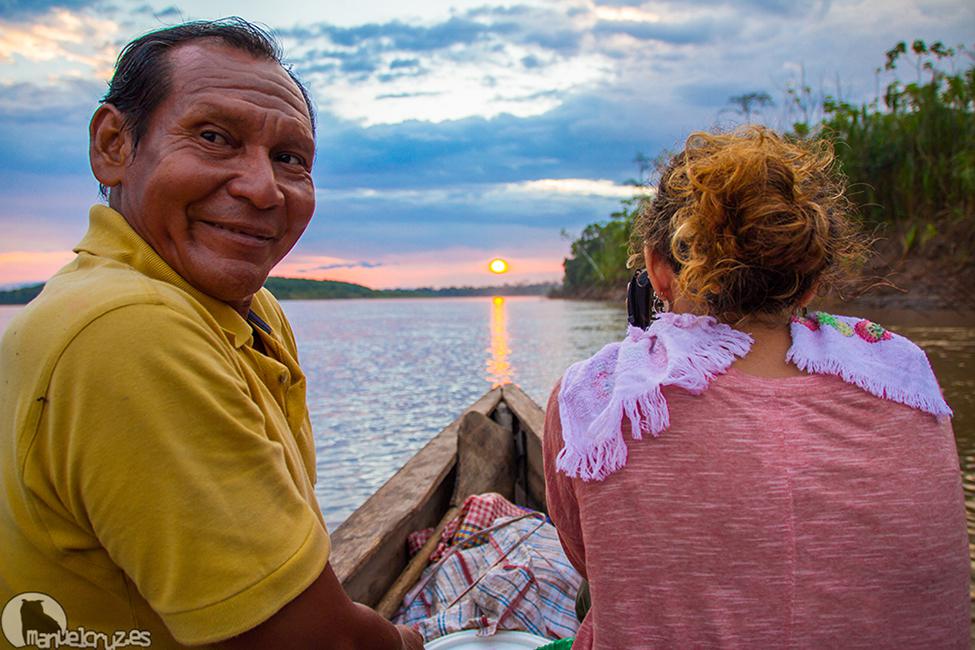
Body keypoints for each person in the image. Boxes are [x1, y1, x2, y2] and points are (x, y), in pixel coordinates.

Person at [0, 19, 423, 649]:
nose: (263, 188)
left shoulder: (249, 308)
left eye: (289, 159)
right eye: (214, 137)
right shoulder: (129, 332)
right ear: (114, 145)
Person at [543, 127, 969, 648]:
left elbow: (589, 557)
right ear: (810, 281)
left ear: (658, 271)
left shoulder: (594, 396)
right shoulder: (905, 373)